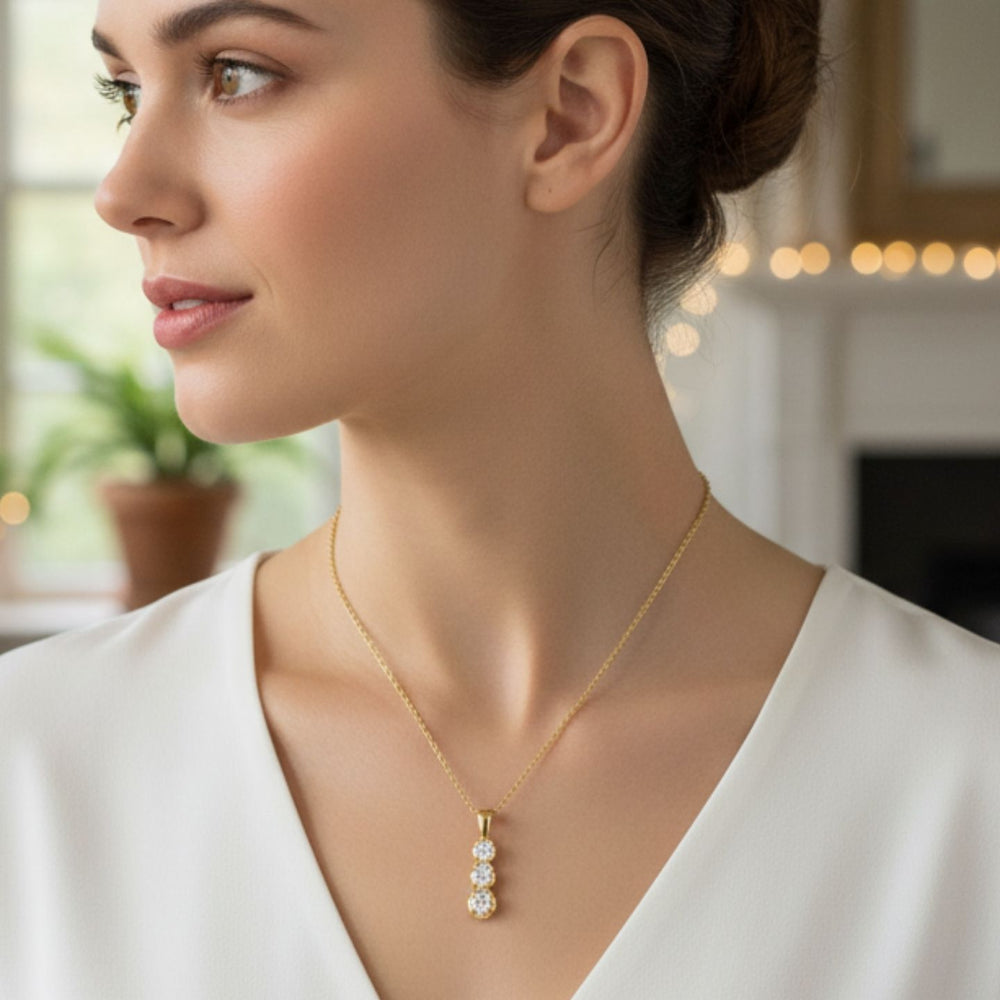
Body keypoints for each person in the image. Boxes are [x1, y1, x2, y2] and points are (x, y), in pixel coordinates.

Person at [1, 0, 998, 997]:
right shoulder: (37, 773)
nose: (125, 189)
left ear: (570, 114)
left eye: (236, 74)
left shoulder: (963, 787)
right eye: (123, 91)